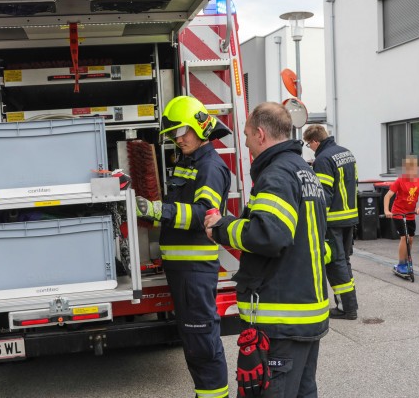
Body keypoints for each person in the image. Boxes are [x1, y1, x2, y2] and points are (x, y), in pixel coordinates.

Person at [205, 102, 329, 398]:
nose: (245, 142)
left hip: (280, 320)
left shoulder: (276, 175)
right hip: (304, 314)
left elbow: (269, 235)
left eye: (247, 135)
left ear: (260, 134)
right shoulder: (303, 171)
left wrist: (221, 227)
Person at [135, 96, 231, 398]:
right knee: (194, 343)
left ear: (200, 127)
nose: (178, 139)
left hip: (195, 272)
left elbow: (205, 214)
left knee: (202, 344)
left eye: (183, 131)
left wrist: (156, 211)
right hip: (185, 272)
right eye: (175, 134)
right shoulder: (190, 161)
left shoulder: (210, 167)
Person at [303, 124, 359, 320]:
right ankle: (349, 304)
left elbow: (323, 194)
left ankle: (347, 308)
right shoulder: (346, 153)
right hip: (349, 216)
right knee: (344, 261)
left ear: (316, 141)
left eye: (309, 144)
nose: (309, 148)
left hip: (333, 219)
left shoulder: (323, 159)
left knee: (335, 263)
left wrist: (317, 220)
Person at [383, 155, 419, 275]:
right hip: (398, 213)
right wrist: (387, 211)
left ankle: (407, 259)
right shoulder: (400, 180)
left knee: (411, 239)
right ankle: (401, 263)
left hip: (410, 214)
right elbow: (387, 196)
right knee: (405, 237)